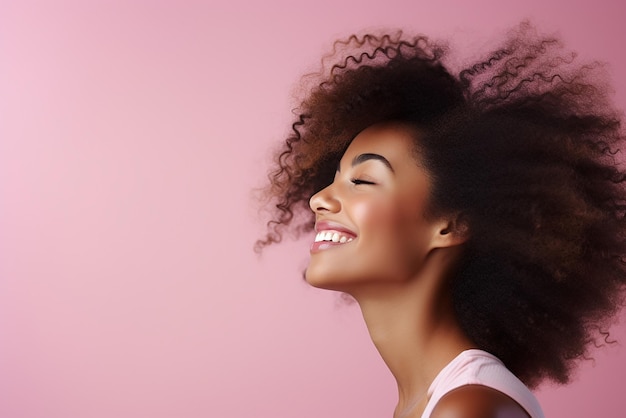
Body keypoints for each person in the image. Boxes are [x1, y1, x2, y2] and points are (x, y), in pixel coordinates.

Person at [256, 23, 626, 418]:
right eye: (332, 180)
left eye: (362, 180)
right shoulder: (433, 403)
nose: (319, 200)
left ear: (448, 225)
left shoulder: (468, 408)